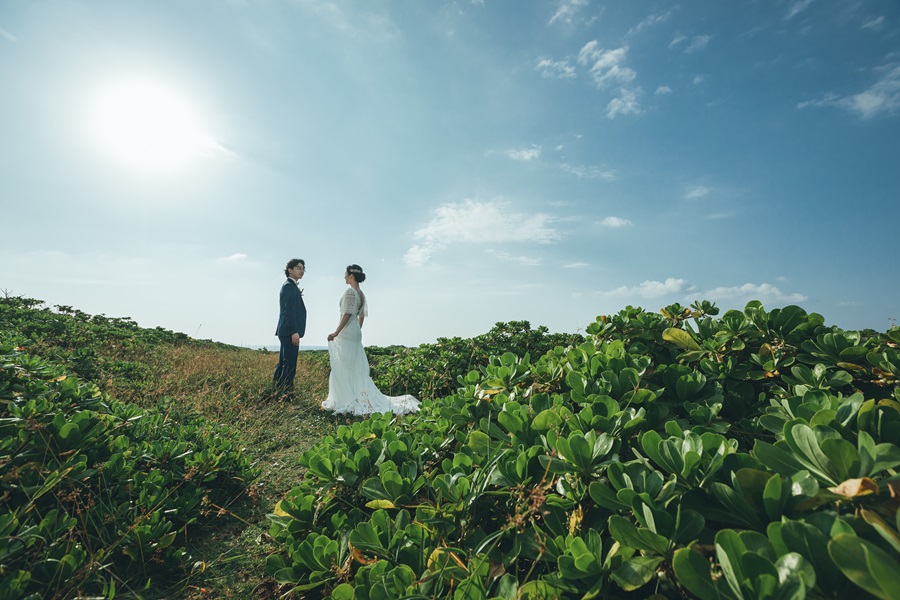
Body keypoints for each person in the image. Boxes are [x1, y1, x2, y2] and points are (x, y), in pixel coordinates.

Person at [321, 265, 420, 415]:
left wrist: (336, 332)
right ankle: (354, 395)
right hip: (355, 331)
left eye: (345, 274)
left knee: (344, 364)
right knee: (353, 365)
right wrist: (358, 330)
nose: (344, 277)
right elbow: (361, 316)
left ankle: (346, 398)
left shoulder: (350, 292)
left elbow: (347, 314)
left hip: (348, 331)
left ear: (351, 276)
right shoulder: (361, 294)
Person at [273, 258, 307, 397]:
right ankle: (286, 393)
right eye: (299, 268)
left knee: (284, 362)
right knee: (289, 364)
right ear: (290, 270)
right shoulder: (288, 286)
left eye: (303, 268)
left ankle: (277, 389)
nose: (302, 270)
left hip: (287, 331)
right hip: (289, 331)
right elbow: (289, 311)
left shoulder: (291, 286)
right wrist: (294, 331)